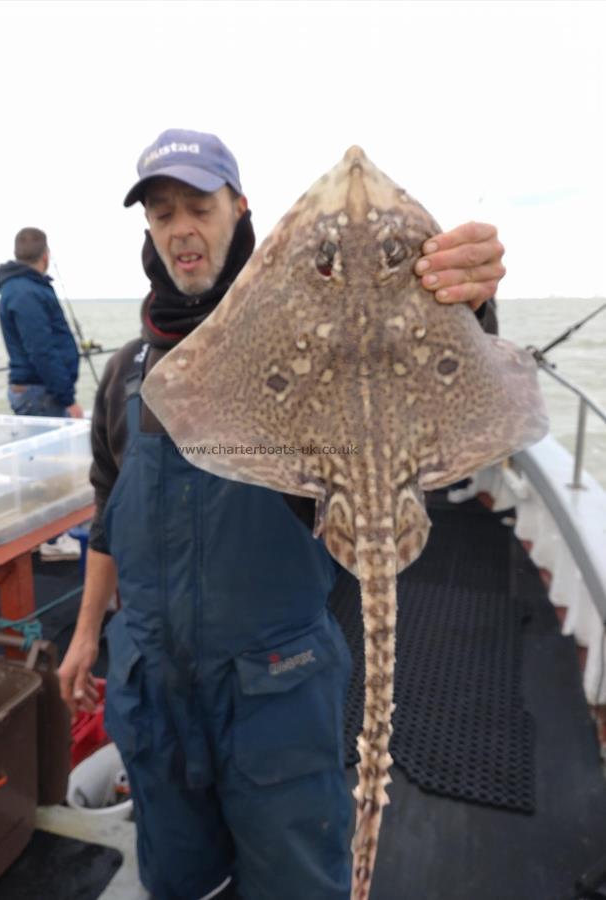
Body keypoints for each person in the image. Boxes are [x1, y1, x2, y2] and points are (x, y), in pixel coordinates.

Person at [58, 129, 507, 900]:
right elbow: (109, 506)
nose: (180, 229)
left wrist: (464, 303)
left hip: (273, 683)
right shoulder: (124, 373)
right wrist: (86, 630)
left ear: (239, 209)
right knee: (178, 876)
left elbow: (400, 384)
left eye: (198, 206)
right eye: (162, 214)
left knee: (296, 880)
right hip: (153, 681)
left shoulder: (308, 341)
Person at [0, 227, 83, 419]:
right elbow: (41, 350)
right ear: (45, 256)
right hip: (40, 394)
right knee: (58, 450)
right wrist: (68, 400)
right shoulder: (26, 292)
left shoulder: (27, 287)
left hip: (42, 390)